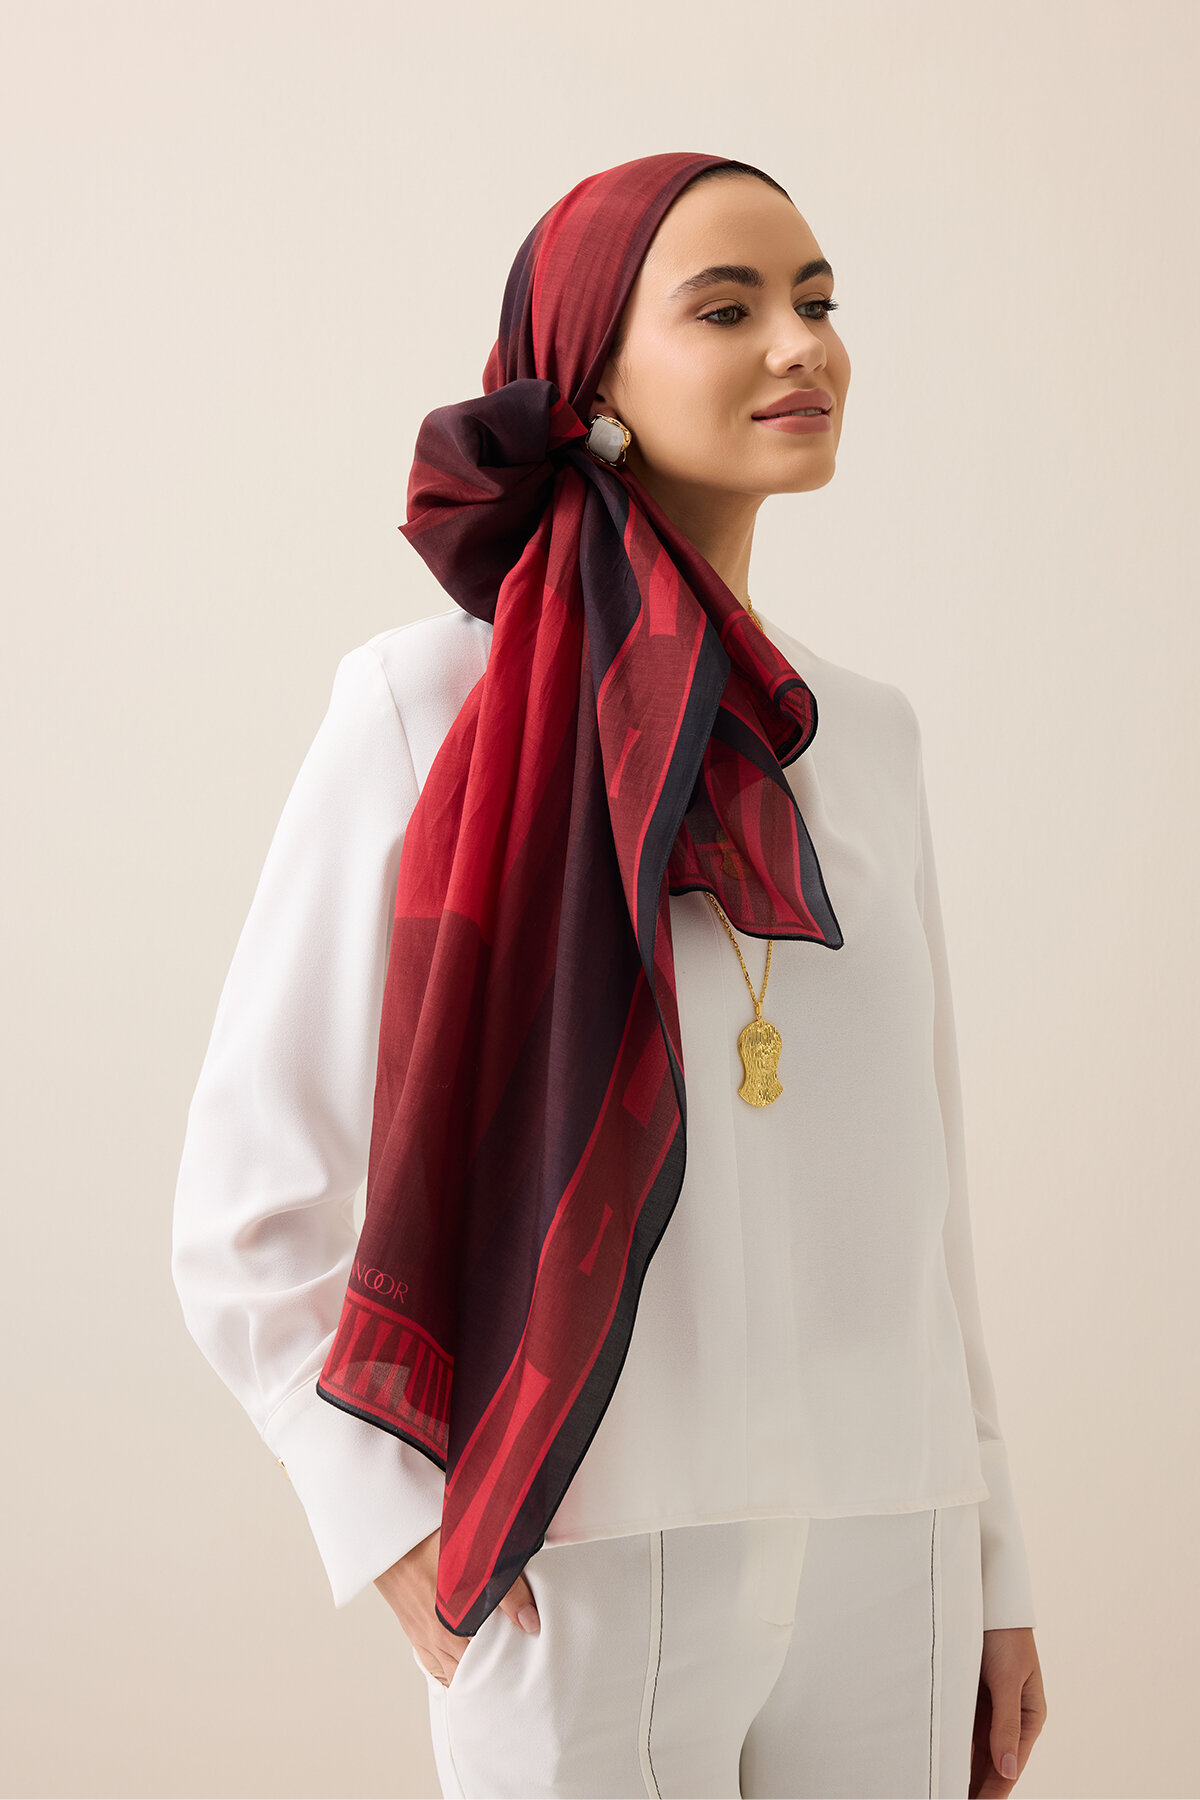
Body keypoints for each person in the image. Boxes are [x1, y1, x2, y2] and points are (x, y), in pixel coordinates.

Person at [172, 152, 1048, 1799]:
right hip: (579, 1537)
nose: (800, 342)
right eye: (727, 307)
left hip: (894, 1538)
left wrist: (993, 1554)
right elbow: (248, 1198)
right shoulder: (429, 707)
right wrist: (383, 1517)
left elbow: (929, 1205)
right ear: (590, 380)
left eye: (818, 300)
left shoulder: (867, 735)